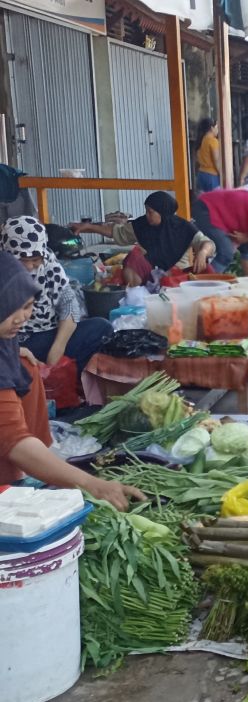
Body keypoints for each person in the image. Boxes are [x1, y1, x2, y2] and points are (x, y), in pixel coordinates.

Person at [0, 252, 142, 507]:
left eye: (27, 306)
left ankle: (27, 471)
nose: (22, 318)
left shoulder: (7, 343)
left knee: (28, 367)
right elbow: (13, 441)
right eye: (11, 309)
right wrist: (92, 484)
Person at [1, 216, 114, 376]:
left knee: (102, 328)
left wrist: (58, 347)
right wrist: (14, 349)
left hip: (49, 334)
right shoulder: (3, 273)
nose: (32, 266)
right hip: (15, 340)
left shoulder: (48, 262)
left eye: (36, 260)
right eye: (25, 260)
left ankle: (70, 381)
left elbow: (68, 302)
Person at [72, 192, 214, 287]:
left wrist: (202, 252)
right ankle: (135, 294)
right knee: (133, 256)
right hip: (150, 277)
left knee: (208, 270)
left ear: (162, 212)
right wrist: (88, 227)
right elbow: (115, 232)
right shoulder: (142, 224)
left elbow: (208, 244)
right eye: (146, 211)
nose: (147, 215)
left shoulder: (183, 227)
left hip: (176, 280)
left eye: (150, 212)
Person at [195, 118, 222, 192]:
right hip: (211, 176)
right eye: (217, 127)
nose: (218, 130)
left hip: (201, 175)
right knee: (214, 202)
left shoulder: (201, 140)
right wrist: (222, 175)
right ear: (211, 128)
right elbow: (216, 161)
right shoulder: (213, 141)